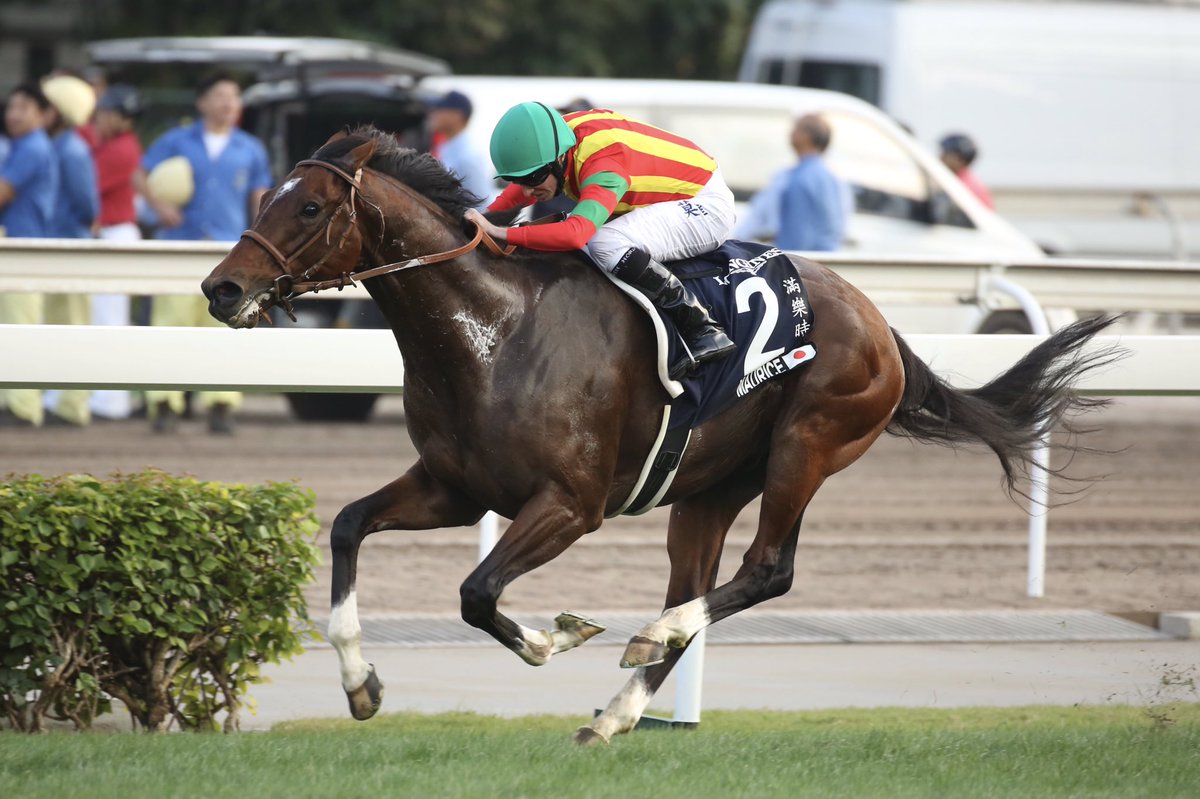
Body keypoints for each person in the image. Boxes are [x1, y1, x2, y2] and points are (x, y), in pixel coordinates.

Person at [465, 102, 736, 379]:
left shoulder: (603, 163)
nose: (526, 189)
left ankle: (701, 326)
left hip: (705, 205)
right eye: (516, 179)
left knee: (605, 243)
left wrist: (502, 232)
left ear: (559, 160)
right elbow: (520, 192)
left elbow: (575, 233)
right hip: (670, 193)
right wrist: (481, 220)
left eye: (533, 178)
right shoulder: (559, 141)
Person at [139, 71, 272, 434]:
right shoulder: (175, 140)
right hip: (179, 244)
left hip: (229, 251)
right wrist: (158, 207)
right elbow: (141, 174)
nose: (229, 103)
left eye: (234, 97)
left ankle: (221, 405)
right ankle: (164, 403)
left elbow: (260, 200)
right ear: (202, 102)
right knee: (169, 324)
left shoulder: (251, 148)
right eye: (220, 95)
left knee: (226, 325)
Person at [40, 75, 101, 427]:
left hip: (71, 244)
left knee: (75, 324)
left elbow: (87, 204)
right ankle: (61, 401)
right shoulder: (60, 144)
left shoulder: (72, 148)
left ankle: (75, 404)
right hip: (57, 243)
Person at [0, 83, 60, 427]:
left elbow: (3, 192)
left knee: (19, 326)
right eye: (11, 107)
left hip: (25, 246)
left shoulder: (31, 147)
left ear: (42, 115)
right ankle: (18, 404)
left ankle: (23, 409)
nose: (13, 114)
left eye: (23, 107)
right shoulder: (27, 145)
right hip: (21, 243)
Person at [87, 84, 145, 421]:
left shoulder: (121, 149)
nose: (100, 119)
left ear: (123, 119)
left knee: (108, 317)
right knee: (102, 314)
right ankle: (106, 399)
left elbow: (89, 187)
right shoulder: (114, 144)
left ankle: (110, 402)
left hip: (115, 233)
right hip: (111, 233)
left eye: (106, 113)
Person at [736, 114, 849, 252]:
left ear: (807, 136)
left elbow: (797, 233)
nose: (790, 134)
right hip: (827, 258)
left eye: (795, 129)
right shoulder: (832, 178)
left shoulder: (800, 179)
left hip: (804, 260)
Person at [427, 90, 494, 208]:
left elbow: (482, 208)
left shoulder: (468, 155)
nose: (433, 113)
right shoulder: (447, 146)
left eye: (440, 109)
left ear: (458, 115)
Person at [939, 132, 993, 209]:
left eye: (945, 153)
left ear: (959, 159)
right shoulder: (957, 180)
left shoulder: (965, 187)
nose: (941, 157)